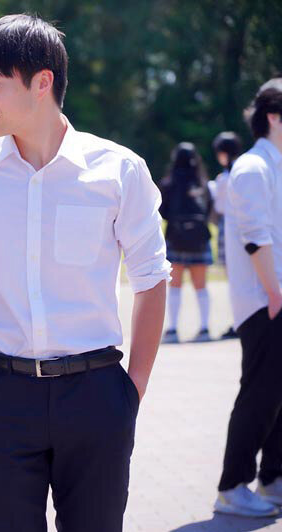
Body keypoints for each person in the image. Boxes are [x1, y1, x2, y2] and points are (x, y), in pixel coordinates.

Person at [0, 14, 169, 532]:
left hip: (98, 395)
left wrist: (132, 390)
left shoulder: (118, 170)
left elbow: (152, 279)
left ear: (42, 82)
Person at [215, 77, 282, 517]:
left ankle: (273, 478)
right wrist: (275, 294)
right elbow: (255, 238)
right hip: (265, 301)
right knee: (260, 394)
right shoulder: (253, 167)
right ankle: (232, 486)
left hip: (273, 297)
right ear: (274, 117)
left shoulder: (272, 165)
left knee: (276, 394)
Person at [159, 143, 214, 343]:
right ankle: (205, 329)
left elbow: (162, 211)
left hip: (176, 237)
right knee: (201, 286)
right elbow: (209, 209)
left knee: (175, 286)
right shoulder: (203, 183)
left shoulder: (168, 183)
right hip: (199, 239)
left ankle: (173, 330)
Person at [210, 131, 244, 339]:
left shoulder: (223, 179)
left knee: (234, 279)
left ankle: (238, 321)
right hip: (249, 228)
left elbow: (219, 207)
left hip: (229, 228)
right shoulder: (247, 171)